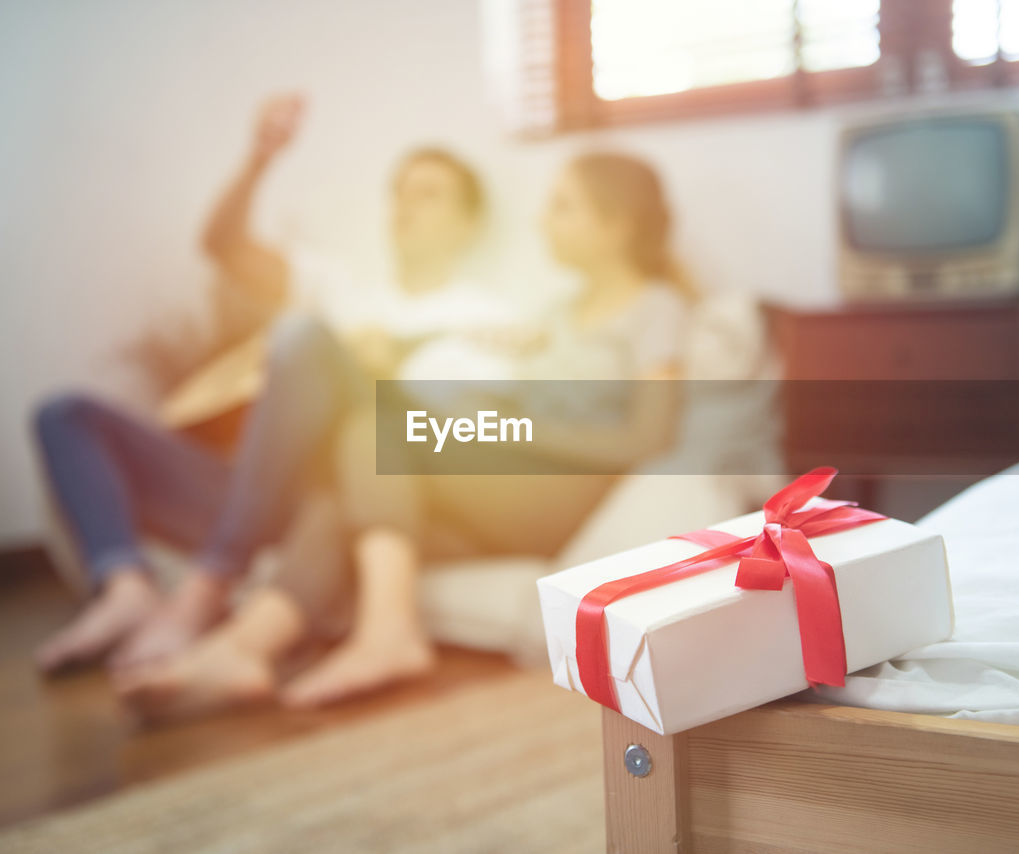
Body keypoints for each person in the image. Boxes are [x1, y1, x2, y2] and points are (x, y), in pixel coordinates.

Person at [115, 152, 696, 719]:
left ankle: (386, 633)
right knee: (344, 495)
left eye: (562, 207)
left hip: (562, 496)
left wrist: (501, 427)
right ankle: (244, 648)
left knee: (381, 420)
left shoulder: (655, 308)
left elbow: (645, 439)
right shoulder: (553, 311)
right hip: (508, 483)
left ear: (615, 226)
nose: (542, 220)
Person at [34, 93, 513, 674]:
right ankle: (125, 586)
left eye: (428, 195)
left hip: (328, 506)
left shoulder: (487, 320)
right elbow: (222, 247)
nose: (405, 207)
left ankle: (207, 588)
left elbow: (454, 439)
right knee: (65, 415)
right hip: (250, 489)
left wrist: (371, 370)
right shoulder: (345, 285)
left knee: (302, 335)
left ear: (468, 222)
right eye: (399, 192)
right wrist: (258, 159)